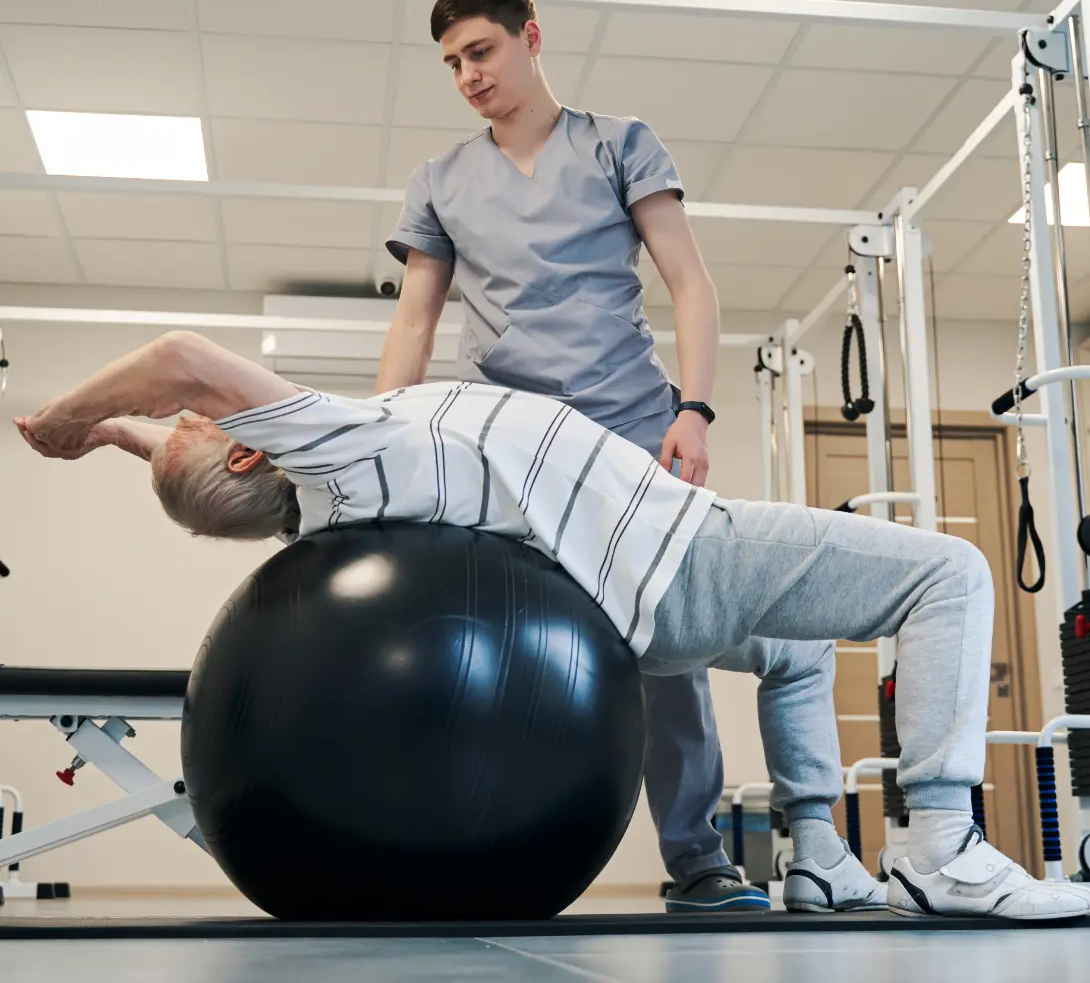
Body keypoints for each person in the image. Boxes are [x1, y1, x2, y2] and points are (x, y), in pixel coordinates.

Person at [15, 329, 1090, 920]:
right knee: (947, 571)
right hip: (683, 548)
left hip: (631, 596)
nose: (214, 414)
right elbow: (179, 356)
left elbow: (189, 444)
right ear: (253, 449)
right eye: (218, 426)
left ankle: (817, 849)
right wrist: (71, 413)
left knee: (795, 644)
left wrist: (114, 435)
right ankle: (943, 844)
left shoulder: (328, 496)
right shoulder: (336, 443)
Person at [376, 0, 744, 913]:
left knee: (665, 651)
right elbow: (415, 321)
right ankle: (479, 839)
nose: (468, 73)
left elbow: (689, 283)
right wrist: (381, 437)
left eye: (482, 50)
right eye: (452, 61)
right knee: (489, 641)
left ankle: (697, 857)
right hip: (508, 440)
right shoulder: (441, 183)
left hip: (628, 428)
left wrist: (693, 410)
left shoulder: (618, 145)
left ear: (531, 36)